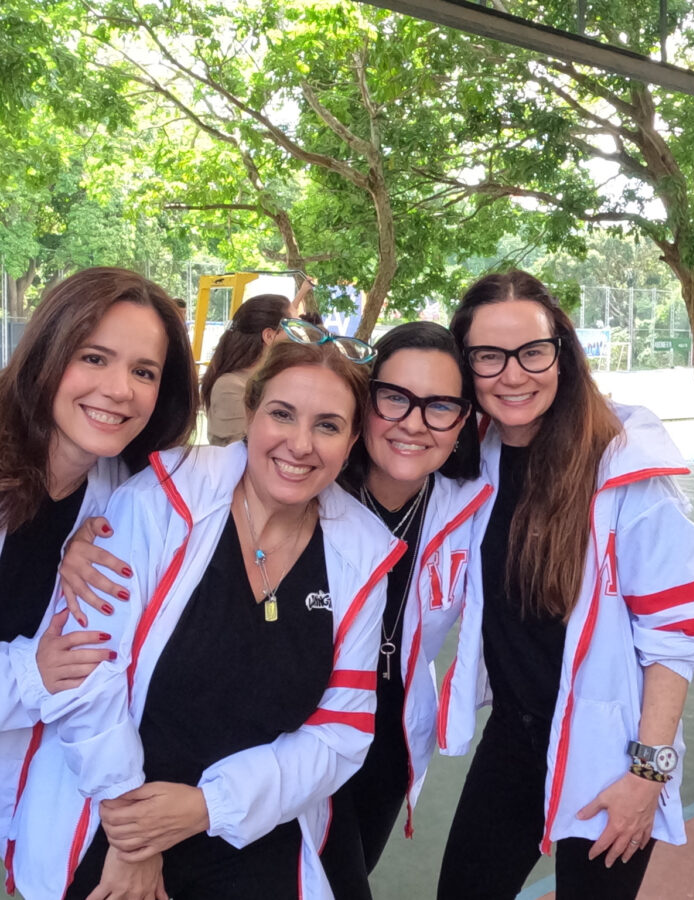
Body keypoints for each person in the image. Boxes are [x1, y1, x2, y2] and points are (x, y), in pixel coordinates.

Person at [10, 337, 403, 900]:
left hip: (249, 825)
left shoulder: (361, 555)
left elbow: (341, 732)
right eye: (282, 414)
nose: (300, 444)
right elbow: (87, 674)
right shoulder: (161, 499)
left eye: (328, 425)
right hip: (110, 811)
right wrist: (136, 838)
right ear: (250, 412)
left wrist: (208, 806)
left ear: (352, 440)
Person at [437, 270, 694, 899]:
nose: (513, 375)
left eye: (532, 351)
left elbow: (674, 637)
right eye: (488, 356)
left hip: (611, 753)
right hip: (513, 737)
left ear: (561, 352)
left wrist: (648, 775)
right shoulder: (470, 458)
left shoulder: (623, 466)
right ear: (466, 365)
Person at [0, 267, 198, 890]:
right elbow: (50, 671)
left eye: (145, 371)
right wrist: (30, 673)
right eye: (94, 357)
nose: (119, 390)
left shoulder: (124, 497)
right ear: (47, 352)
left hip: (32, 790)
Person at [321, 322, 490, 899]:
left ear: (463, 421)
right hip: (301, 731)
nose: (414, 423)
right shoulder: (310, 486)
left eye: (439, 406)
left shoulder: (471, 507)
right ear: (364, 400)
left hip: (391, 739)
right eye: (395, 397)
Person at [202, 280, 314, 446]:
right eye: (295, 328)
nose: (300, 336)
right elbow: (243, 450)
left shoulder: (273, 379)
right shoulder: (230, 386)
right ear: (269, 336)